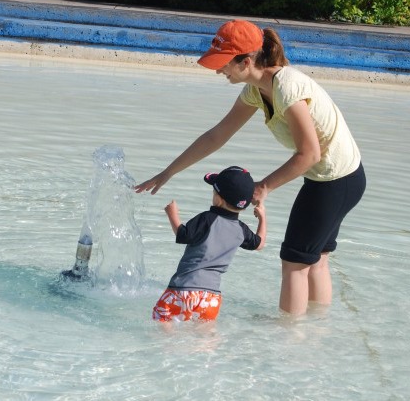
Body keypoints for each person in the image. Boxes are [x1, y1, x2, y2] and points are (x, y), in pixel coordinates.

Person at [136, 19, 366, 316]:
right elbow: (216, 135)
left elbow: (309, 154)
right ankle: (315, 335)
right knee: (315, 259)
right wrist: (168, 171)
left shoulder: (287, 87)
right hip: (336, 179)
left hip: (335, 181)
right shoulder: (256, 91)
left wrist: (264, 186)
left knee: (294, 262)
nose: (219, 70)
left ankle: (288, 338)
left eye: (224, 64)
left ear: (246, 62)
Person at [152, 166, 267, 323]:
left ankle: (169, 346)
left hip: (184, 288)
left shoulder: (208, 219)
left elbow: (183, 234)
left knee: (162, 318)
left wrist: (173, 214)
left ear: (219, 199)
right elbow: (259, 244)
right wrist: (262, 218)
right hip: (212, 297)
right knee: (204, 333)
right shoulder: (241, 229)